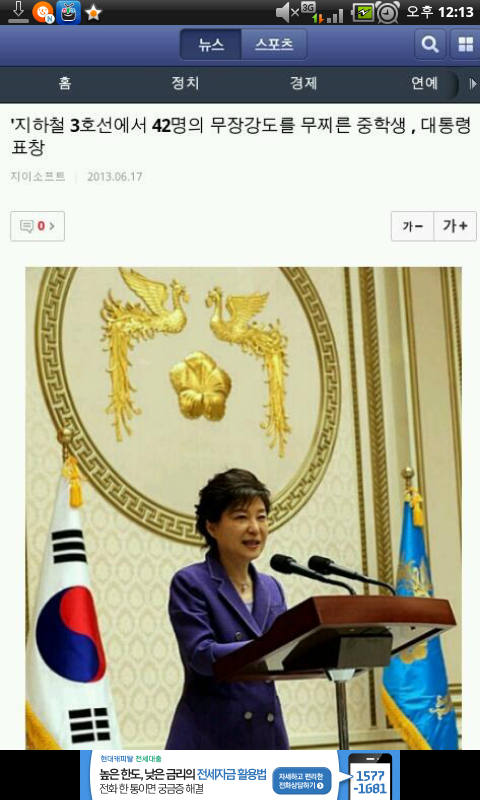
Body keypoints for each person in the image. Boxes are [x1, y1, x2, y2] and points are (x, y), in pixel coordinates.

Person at [165, 468, 289, 750]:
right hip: (211, 737)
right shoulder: (191, 582)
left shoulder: (272, 588)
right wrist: (265, 647)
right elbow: (201, 655)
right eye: (241, 517)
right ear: (212, 527)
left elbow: (285, 653)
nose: (255, 528)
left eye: (261, 517)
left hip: (267, 736)